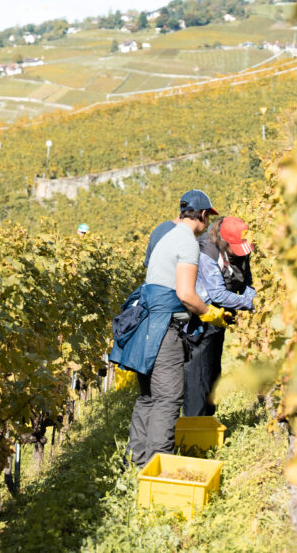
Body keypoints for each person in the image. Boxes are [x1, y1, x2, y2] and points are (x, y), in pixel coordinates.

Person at [110, 190, 228, 468]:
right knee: (169, 398)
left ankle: (135, 462)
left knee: (149, 397)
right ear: (201, 215)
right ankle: (156, 466)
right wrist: (211, 314)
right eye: (208, 217)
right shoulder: (187, 242)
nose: (207, 224)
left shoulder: (167, 236)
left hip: (147, 327)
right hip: (165, 330)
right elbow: (186, 294)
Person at [183, 216, 256, 417]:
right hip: (201, 318)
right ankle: (194, 427)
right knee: (199, 373)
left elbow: (248, 280)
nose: (241, 255)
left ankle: (207, 420)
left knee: (213, 371)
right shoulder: (207, 252)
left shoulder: (242, 250)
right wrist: (251, 303)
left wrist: (250, 295)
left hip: (220, 317)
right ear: (224, 242)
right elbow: (218, 294)